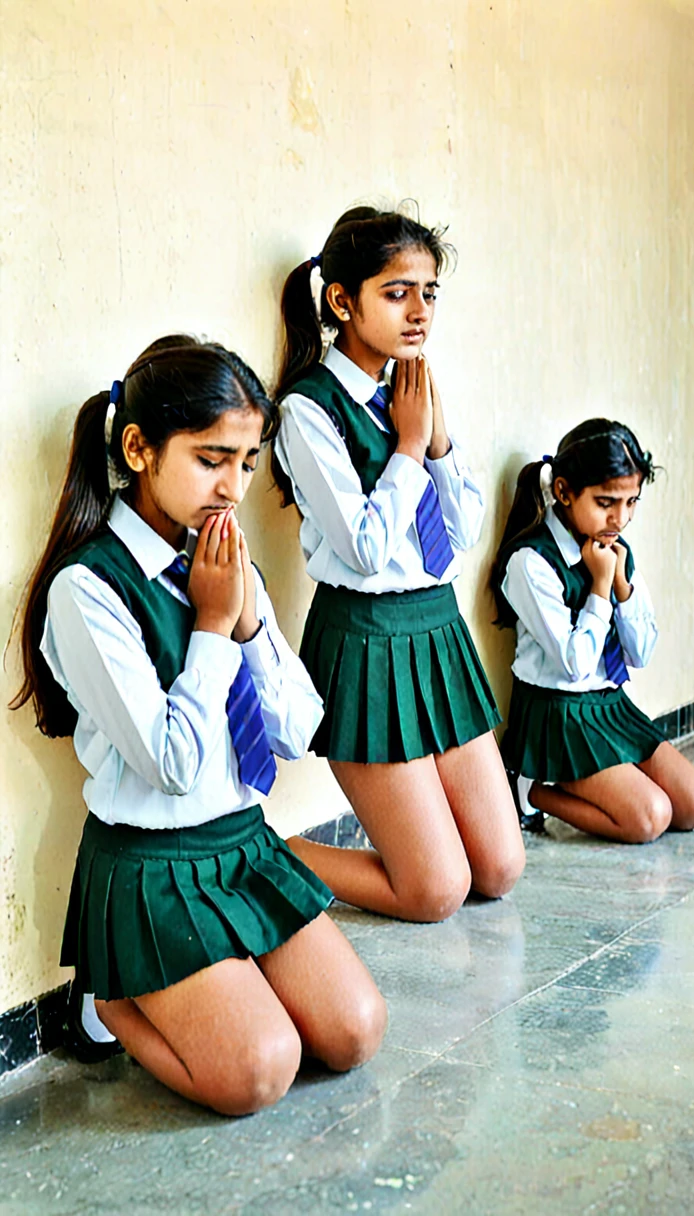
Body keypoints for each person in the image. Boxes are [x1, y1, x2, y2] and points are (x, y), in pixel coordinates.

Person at [12, 336, 386, 1115]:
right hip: (153, 867)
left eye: (249, 462)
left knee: (355, 1032)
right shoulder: (88, 589)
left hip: (244, 845)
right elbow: (170, 765)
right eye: (213, 457)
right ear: (139, 448)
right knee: (258, 1072)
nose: (234, 486)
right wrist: (214, 628)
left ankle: (225, 974)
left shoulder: (222, 562)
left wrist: (248, 628)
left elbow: (298, 726)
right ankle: (114, 1000)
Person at [272, 205, 525, 921]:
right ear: (341, 300)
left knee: (500, 869)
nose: (420, 312)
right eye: (396, 291)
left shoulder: (409, 391)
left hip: (437, 629)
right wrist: (408, 449)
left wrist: (435, 438)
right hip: (368, 636)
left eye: (429, 292)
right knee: (434, 891)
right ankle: (275, 853)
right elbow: (362, 547)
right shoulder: (307, 410)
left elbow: (464, 529)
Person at [491, 418, 694, 843]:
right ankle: (532, 788)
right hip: (557, 714)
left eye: (632, 503)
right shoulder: (530, 562)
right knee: (649, 818)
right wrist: (597, 586)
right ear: (563, 492)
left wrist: (621, 586)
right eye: (607, 502)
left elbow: (641, 654)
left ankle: (595, 782)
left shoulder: (615, 552)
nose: (621, 518)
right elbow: (575, 666)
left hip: (609, 705)